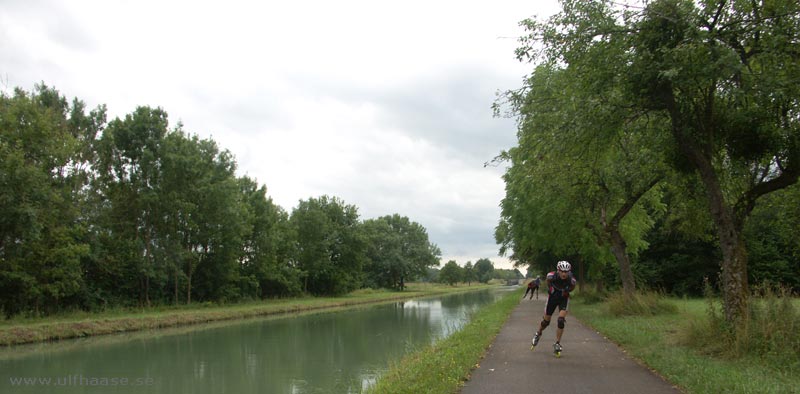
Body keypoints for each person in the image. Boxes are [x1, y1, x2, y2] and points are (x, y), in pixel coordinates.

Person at [531, 261, 577, 355]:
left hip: (563, 298)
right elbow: (548, 282)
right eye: (562, 271)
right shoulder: (551, 276)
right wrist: (551, 289)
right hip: (552, 298)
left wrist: (566, 291)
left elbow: (572, 288)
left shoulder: (571, 280)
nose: (564, 274)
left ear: (569, 272)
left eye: (566, 272)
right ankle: (538, 333)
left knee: (561, 320)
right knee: (546, 322)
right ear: (558, 270)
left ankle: (557, 343)